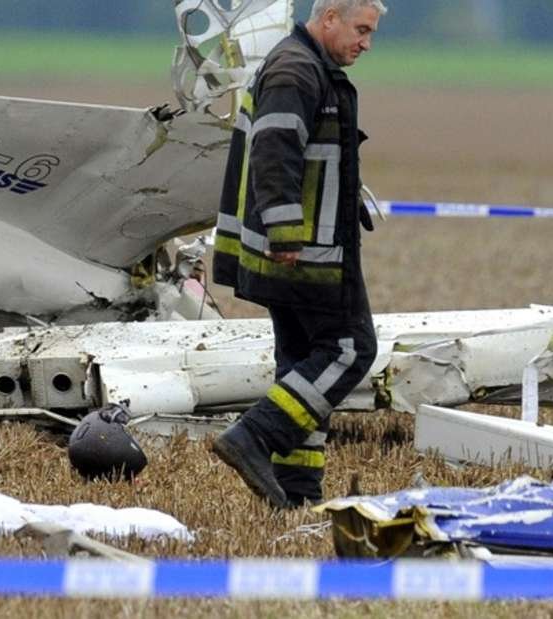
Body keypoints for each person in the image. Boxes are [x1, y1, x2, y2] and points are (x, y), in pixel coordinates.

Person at [210, 0, 386, 508]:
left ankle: (296, 491)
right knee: (349, 350)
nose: (365, 43)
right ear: (329, 17)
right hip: (305, 251)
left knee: (301, 367)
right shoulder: (295, 70)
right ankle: (256, 436)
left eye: (371, 33)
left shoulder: (305, 65)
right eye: (361, 29)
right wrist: (287, 230)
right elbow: (275, 150)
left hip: (296, 249)